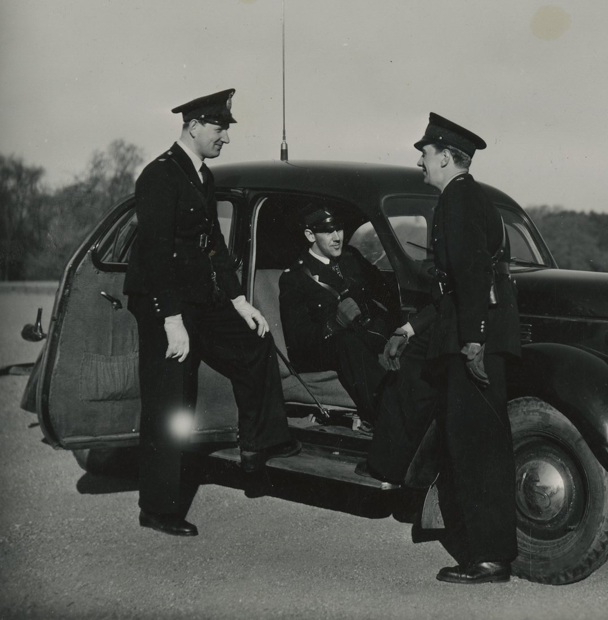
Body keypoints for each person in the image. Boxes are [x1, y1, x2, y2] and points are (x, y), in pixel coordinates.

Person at [123, 88, 300, 538]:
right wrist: (171, 319)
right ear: (194, 126)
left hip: (202, 300)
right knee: (170, 404)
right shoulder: (159, 176)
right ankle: (158, 507)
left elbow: (214, 244)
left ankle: (259, 449)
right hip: (166, 305)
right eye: (220, 128)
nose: (225, 137)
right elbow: (157, 251)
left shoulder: (202, 176)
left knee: (255, 346)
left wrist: (240, 300)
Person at [365, 113, 521, 585]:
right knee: (476, 448)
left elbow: (472, 277)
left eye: (427, 153)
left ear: (448, 158)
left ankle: (489, 559)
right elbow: (453, 290)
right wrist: (412, 329)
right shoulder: (472, 198)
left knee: (475, 452)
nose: (420, 160)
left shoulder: (457, 202)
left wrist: (472, 341)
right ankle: (489, 552)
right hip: (473, 337)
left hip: (471, 345)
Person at [278, 206, 400, 424]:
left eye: (339, 229)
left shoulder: (351, 259)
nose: (337, 238)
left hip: (362, 337)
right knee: (347, 342)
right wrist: (334, 323)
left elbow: (385, 295)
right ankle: (386, 416)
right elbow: (298, 340)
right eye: (327, 231)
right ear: (309, 236)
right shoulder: (295, 278)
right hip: (323, 350)